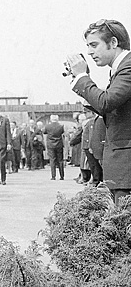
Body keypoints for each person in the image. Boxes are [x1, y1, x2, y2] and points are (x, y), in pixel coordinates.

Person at [68, 19, 131, 204]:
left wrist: (82, 78)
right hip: (122, 169)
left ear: (113, 43)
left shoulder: (128, 67)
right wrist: (82, 84)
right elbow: (112, 109)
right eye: (88, 46)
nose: (89, 52)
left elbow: (106, 102)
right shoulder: (120, 68)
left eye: (94, 45)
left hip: (126, 168)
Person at [43, 114, 65, 180]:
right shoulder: (61, 126)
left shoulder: (47, 126)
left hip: (51, 145)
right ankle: (62, 176)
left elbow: (44, 132)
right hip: (59, 144)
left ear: (51, 119)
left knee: (52, 160)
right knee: (60, 160)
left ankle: (53, 176)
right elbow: (62, 132)